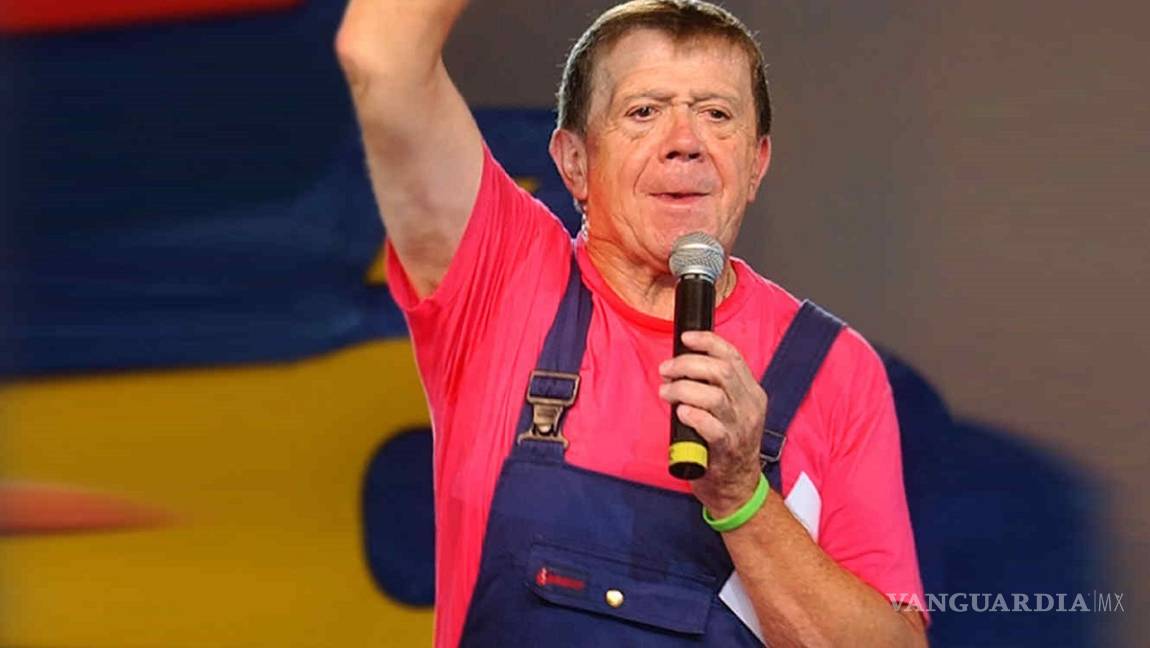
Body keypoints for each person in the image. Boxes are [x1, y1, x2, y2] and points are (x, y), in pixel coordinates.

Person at [336, 0, 928, 645]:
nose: (686, 142)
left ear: (757, 163)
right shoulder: (502, 278)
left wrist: (742, 496)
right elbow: (382, 58)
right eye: (644, 112)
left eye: (717, 114)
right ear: (574, 163)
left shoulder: (835, 369)